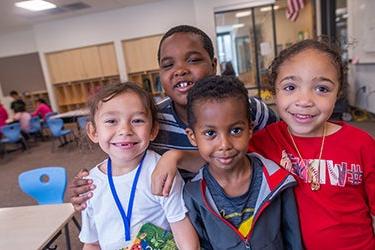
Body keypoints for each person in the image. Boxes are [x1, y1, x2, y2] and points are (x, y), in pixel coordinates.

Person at [69, 25, 278, 210]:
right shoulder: (152, 120)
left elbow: (283, 151)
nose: (179, 71)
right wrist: (92, 184)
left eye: (193, 60)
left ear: (213, 65)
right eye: (168, 65)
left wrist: (177, 156)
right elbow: (123, 161)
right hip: (181, 217)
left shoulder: (248, 109)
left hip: (250, 209)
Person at [248, 39, 375, 249]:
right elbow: (220, 154)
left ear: (338, 93)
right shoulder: (263, 142)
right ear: (274, 92)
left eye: (322, 89)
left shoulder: (362, 144)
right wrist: (175, 156)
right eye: (290, 87)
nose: (305, 100)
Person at [182, 75, 302, 249]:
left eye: (236, 130)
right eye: (210, 133)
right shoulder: (193, 195)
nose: (224, 145)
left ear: (250, 129)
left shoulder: (278, 181)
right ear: (192, 137)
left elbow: (293, 239)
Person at [78, 82, 199, 250]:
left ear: (153, 130)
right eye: (111, 121)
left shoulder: (160, 170)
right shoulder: (90, 183)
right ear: (94, 132)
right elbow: (92, 242)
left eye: (137, 120)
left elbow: (181, 225)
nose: (125, 130)